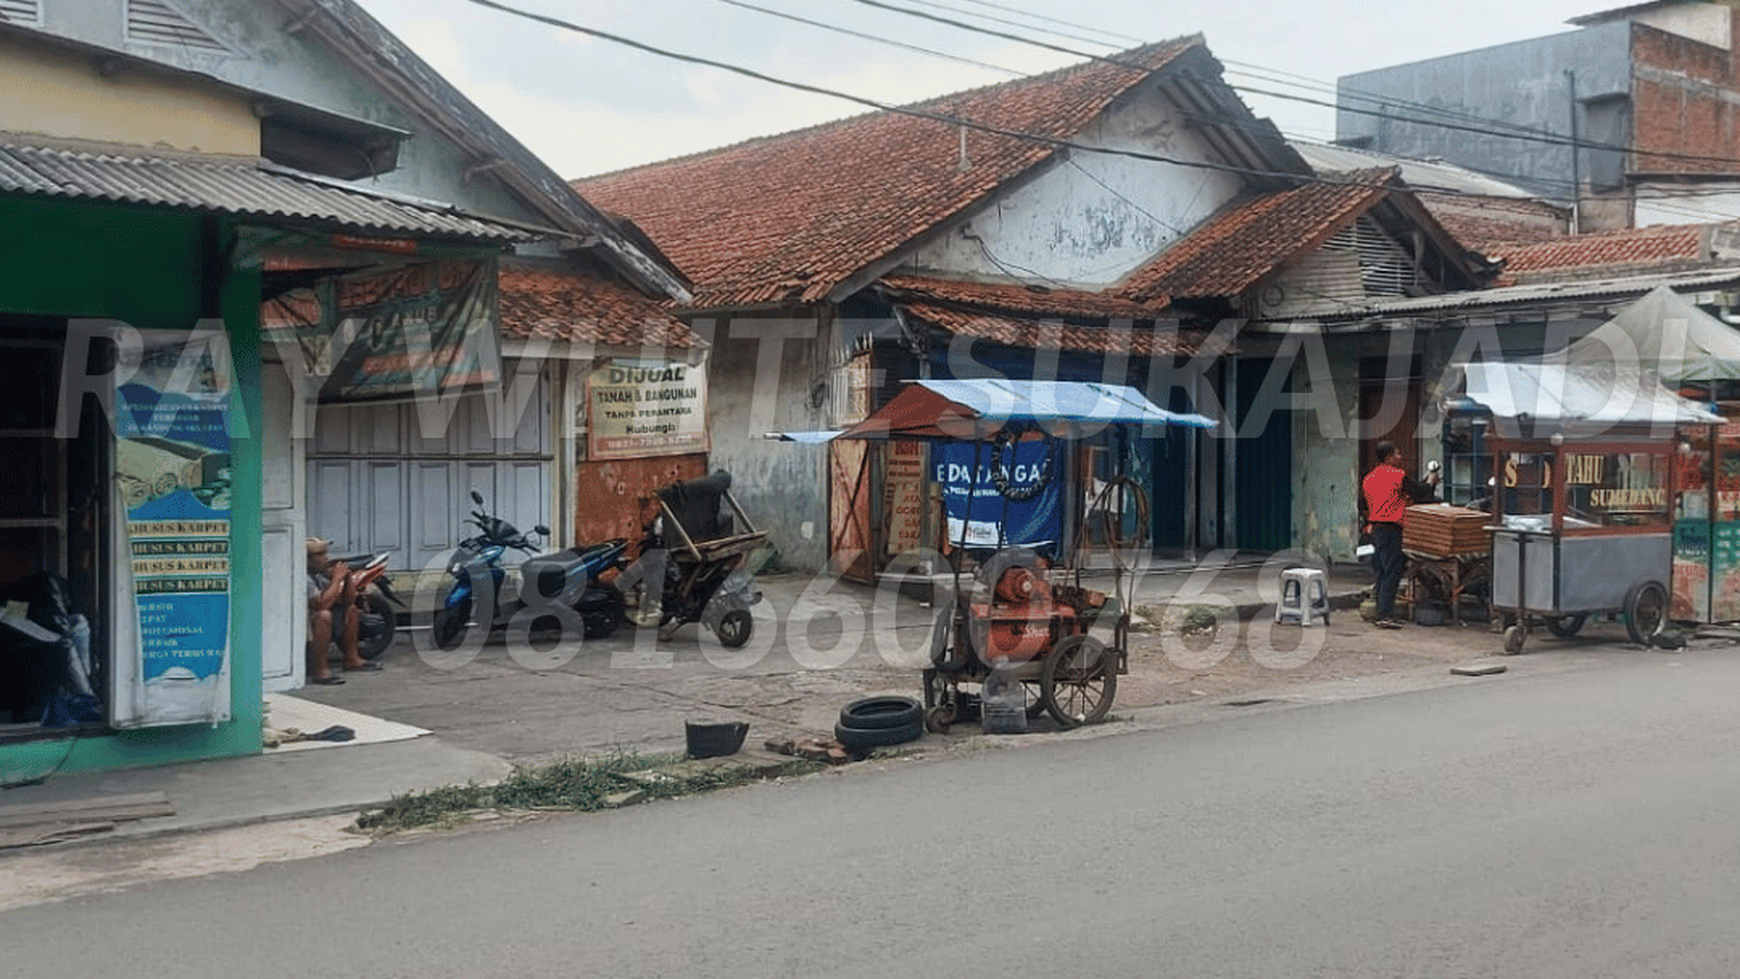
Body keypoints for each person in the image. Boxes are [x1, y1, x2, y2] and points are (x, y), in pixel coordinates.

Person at [1360, 442, 1440, 629]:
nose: (1400, 457)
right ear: (1388, 457)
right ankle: (1385, 616)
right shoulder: (1398, 476)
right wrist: (1431, 481)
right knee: (1392, 573)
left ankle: (1380, 612)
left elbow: (1364, 504)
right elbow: (1422, 494)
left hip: (1376, 529)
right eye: (1397, 454)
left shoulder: (1369, 478)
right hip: (1393, 529)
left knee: (1381, 572)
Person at [306, 537, 379, 684]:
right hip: (303, 628)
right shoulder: (304, 577)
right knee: (324, 616)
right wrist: (336, 579)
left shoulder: (319, 575)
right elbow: (322, 604)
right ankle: (320, 670)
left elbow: (347, 601)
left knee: (351, 610)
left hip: (315, 625)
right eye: (320, 555)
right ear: (307, 559)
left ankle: (352, 659)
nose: (326, 558)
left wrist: (347, 579)